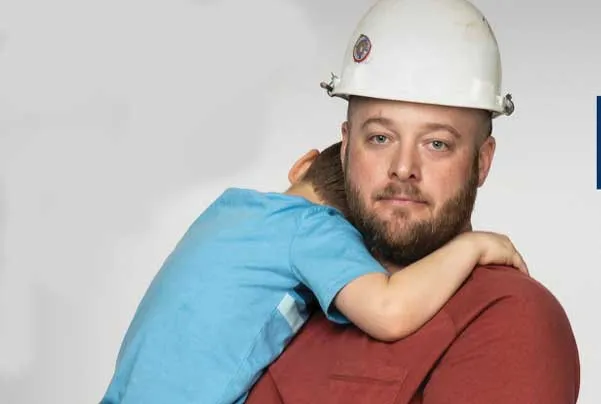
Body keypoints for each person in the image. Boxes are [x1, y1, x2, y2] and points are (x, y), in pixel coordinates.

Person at [244, 0, 581, 402]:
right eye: (380, 138)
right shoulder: (292, 301)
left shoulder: (508, 316)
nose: (404, 168)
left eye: (437, 143)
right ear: (347, 146)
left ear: (482, 161)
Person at [100, 138, 527, 404]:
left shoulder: (231, 208)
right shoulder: (316, 229)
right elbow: (389, 308)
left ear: (302, 165)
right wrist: (471, 246)